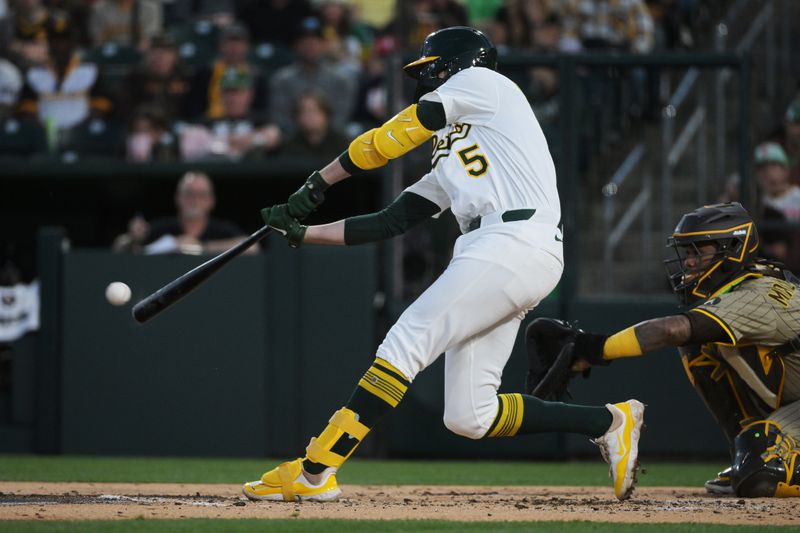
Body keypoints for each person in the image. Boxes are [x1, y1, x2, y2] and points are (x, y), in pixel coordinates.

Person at [244, 26, 645, 503]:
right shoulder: (460, 146)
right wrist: (302, 233)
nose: (426, 77)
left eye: (431, 68)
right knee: (470, 416)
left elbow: (390, 138)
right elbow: (391, 221)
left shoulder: (486, 83)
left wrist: (319, 182)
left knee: (408, 338)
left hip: (511, 239)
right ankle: (608, 422)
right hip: (504, 250)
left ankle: (315, 470)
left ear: (455, 64)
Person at [534, 202, 800, 498]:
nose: (689, 262)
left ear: (733, 249)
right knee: (698, 344)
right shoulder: (743, 286)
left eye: (699, 251)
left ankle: (758, 456)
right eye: (687, 252)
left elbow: (671, 330)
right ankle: (746, 452)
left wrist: (593, 348)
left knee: (761, 476)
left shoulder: (758, 294)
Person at [112, 171, 256, 254]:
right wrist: (132, 238)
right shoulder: (161, 228)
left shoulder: (223, 230)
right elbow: (118, 248)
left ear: (211, 201)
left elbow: (252, 247)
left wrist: (200, 247)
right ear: (177, 198)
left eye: (201, 195)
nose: (194, 200)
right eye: (188, 194)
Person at [268, 16, 355, 138]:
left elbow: (340, 120)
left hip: (332, 142)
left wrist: (319, 135)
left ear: (325, 44)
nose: (310, 46)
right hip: (292, 142)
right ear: (296, 45)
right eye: (305, 41)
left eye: (316, 41)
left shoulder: (341, 80)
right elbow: (280, 119)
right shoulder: (282, 80)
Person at [179, 67, 280, 161]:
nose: (233, 98)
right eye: (228, 92)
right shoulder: (207, 123)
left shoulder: (262, 121)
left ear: (250, 94)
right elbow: (189, 148)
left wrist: (246, 140)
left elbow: (273, 137)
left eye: (238, 92)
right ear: (221, 95)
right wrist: (224, 143)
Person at [279, 91, 348, 161]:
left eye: (314, 111)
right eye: (304, 111)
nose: (309, 116)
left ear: (326, 114)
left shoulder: (343, 144)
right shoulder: (290, 146)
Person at [754, 142, 800, 221]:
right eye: (762, 167)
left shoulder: (798, 196)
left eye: (773, 165)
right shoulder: (756, 203)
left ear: (785, 170)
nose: (768, 171)